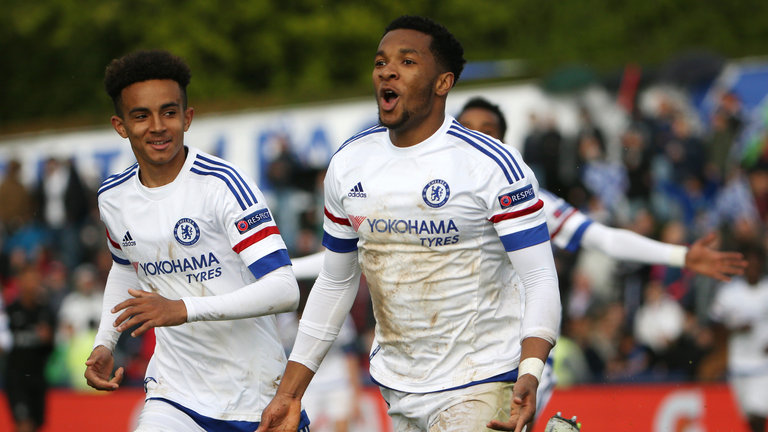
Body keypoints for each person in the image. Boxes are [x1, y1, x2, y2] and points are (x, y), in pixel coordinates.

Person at [258, 16, 562, 432]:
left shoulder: (492, 166)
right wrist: (290, 393)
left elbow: (541, 277)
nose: (388, 70)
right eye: (381, 61)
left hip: (483, 380)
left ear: (443, 83)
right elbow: (335, 282)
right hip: (399, 386)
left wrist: (530, 370)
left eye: (407, 61)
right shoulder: (348, 164)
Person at [83, 49, 309, 431]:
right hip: (174, 396)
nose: (157, 126)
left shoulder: (223, 185)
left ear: (187, 117)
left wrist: (182, 308)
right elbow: (126, 270)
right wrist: (106, 341)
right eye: (141, 116)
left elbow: (285, 289)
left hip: (254, 397)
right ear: (120, 126)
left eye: (169, 112)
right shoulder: (112, 196)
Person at [709, 241, 768, 432]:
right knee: (749, 419)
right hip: (739, 364)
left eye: (757, 262)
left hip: (763, 366)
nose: (753, 267)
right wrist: (735, 330)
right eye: (748, 263)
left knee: (758, 414)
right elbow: (714, 325)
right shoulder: (729, 293)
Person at [4, 265, 56, 432]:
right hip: (16, 379)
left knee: (36, 426)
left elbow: (51, 349)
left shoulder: (45, 313)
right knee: (23, 424)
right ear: (20, 282)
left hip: (38, 377)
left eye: (35, 280)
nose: (32, 284)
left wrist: (48, 340)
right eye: (28, 279)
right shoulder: (10, 313)